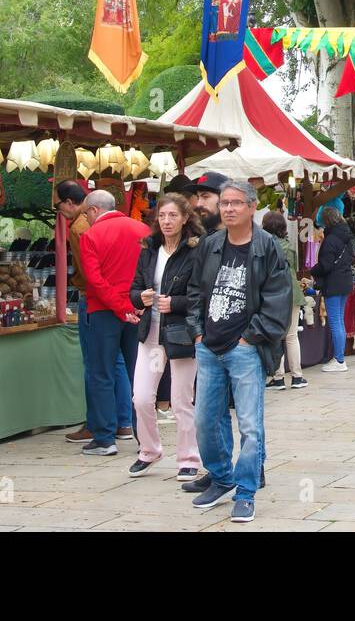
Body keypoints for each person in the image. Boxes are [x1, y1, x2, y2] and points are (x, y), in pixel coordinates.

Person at [185, 180, 293, 523]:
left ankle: (245, 492)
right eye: (225, 203)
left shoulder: (267, 248)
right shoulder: (211, 244)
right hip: (209, 346)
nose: (228, 209)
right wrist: (198, 331)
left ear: (251, 207)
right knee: (205, 421)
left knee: (249, 425)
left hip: (245, 349)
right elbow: (193, 290)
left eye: (235, 203)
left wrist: (251, 337)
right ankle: (221, 477)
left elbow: (279, 300)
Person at [128, 192, 202, 480]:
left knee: (181, 399)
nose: (167, 221)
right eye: (162, 215)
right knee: (142, 397)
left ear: (185, 218)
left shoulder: (196, 250)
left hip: (182, 333)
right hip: (152, 333)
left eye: (173, 215)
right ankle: (149, 450)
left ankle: (188, 458)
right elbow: (134, 288)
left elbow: (201, 295)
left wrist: (176, 303)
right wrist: (141, 297)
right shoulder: (149, 248)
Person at [57, 181, 133, 445]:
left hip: (98, 301)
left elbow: (92, 273)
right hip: (124, 302)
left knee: (98, 367)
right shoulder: (137, 228)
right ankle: (124, 422)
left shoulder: (82, 230)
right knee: (118, 363)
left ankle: (100, 429)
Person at [78, 189, 152, 456]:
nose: (85, 217)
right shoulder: (143, 230)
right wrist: (135, 305)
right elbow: (152, 272)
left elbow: (95, 280)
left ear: (95, 210)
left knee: (101, 374)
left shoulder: (91, 236)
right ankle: (143, 436)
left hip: (103, 312)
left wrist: (120, 307)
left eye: (86, 212)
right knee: (138, 374)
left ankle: (104, 438)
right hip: (138, 310)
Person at [263, 212, 307, 391]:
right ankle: (297, 377)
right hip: (293, 293)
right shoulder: (289, 246)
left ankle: (278, 377)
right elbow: (294, 269)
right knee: (291, 336)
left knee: (275, 336)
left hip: (273, 294)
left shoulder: (263, 245)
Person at [310, 206, 353, 372]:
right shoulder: (346, 236)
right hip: (345, 282)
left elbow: (325, 266)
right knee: (339, 321)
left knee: (335, 322)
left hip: (334, 284)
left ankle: (339, 360)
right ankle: (339, 358)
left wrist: (314, 270)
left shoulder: (331, 240)